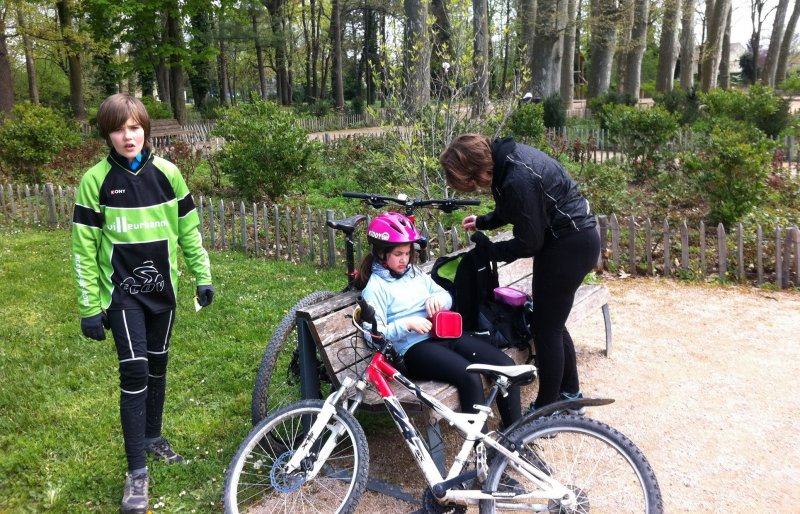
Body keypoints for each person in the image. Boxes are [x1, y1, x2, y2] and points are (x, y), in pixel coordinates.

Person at [71, 93, 214, 514]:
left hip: (162, 293)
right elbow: (83, 250)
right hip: (121, 295)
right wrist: (88, 306)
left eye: (134, 127)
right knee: (134, 374)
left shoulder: (169, 174)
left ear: (145, 129)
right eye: (119, 129)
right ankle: (136, 473)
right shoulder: (95, 181)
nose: (127, 136)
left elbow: (189, 231)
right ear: (107, 134)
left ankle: (152, 437)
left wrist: (202, 275)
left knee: (157, 365)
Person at [440, 133, 600, 414]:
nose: (475, 187)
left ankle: (546, 411)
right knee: (552, 323)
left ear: (474, 168)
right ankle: (571, 396)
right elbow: (515, 208)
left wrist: (490, 251)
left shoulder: (515, 177)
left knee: (545, 328)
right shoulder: (506, 160)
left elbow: (529, 242)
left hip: (568, 245)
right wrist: (483, 221)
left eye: (471, 181)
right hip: (572, 240)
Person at [356, 212, 521, 429]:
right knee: (469, 376)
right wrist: (406, 324)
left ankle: (517, 438)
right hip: (412, 349)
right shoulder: (375, 288)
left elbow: (447, 297)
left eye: (407, 253)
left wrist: (438, 299)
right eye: (398, 254)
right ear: (381, 254)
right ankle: (481, 452)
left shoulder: (414, 274)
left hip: (441, 334)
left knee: (505, 366)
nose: (404, 259)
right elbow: (372, 334)